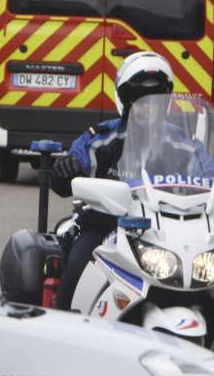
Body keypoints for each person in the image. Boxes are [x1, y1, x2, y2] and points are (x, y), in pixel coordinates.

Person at [49, 51, 175, 310]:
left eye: (155, 100)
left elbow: (212, 182)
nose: (147, 107)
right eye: (140, 99)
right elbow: (75, 165)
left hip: (165, 234)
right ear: (126, 101)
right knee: (76, 266)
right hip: (104, 231)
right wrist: (67, 168)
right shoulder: (101, 139)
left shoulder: (183, 145)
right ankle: (64, 328)